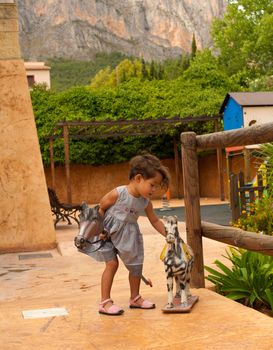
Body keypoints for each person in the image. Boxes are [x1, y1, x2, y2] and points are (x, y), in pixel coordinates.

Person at [81, 153, 170, 316]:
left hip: (129, 236)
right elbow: (100, 207)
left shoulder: (145, 202)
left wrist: (168, 234)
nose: (155, 189)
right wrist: (100, 230)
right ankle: (105, 302)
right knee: (112, 264)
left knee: (136, 266)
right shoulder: (118, 193)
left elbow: (155, 221)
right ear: (138, 178)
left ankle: (135, 298)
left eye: (157, 186)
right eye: (152, 185)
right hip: (107, 234)